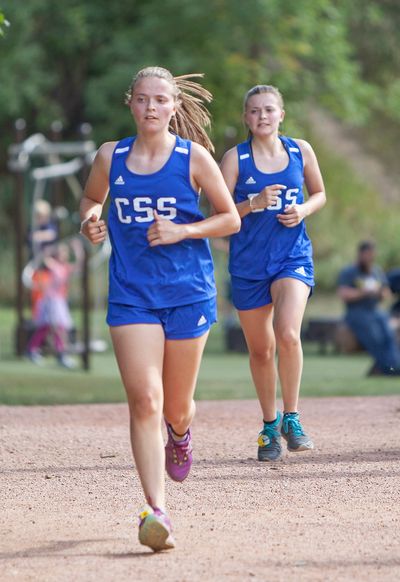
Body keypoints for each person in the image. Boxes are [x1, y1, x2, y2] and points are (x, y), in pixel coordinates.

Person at [79, 66, 240, 552]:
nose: (151, 107)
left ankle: (182, 433)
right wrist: (89, 220)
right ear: (131, 102)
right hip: (132, 294)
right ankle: (156, 510)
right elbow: (90, 200)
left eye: (161, 100)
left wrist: (184, 230)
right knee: (144, 400)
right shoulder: (112, 156)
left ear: (174, 107)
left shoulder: (194, 159)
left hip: (188, 292)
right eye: (143, 99)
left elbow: (230, 218)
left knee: (176, 406)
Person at [220, 84, 326, 462]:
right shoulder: (235, 159)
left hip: (291, 257)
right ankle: (269, 425)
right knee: (261, 350)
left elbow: (319, 194)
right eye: (254, 111)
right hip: (248, 265)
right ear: (246, 118)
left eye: (268, 109)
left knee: (287, 334)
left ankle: (292, 418)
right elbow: (217, 216)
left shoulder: (300, 150)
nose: (262, 116)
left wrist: (304, 211)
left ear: (281, 114)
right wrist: (252, 203)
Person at [337, 241, 400, 376]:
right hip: (357, 312)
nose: (370, 258)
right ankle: (388, 368)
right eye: (367, 254)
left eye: (372, 255)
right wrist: (363, 292)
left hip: (375, 310)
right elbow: (343, 294)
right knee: (374, 337)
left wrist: (380, 292)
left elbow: (386, 292)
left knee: (389, 335)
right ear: (360, 254)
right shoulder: (350, 271)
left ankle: (394, 366)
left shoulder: (376, 271)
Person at [26, 240, 82, 368]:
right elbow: (43, 258)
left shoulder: (65, 267)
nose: (64, 254)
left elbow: (79, 266)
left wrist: (78, 251)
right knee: (58, 327)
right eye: (62, 252)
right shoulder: (54, 265)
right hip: (50, 301)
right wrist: (48, 251)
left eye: (65, 252)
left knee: (48, 327)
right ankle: (60, 354)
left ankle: (32, 350)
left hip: (57, 301)